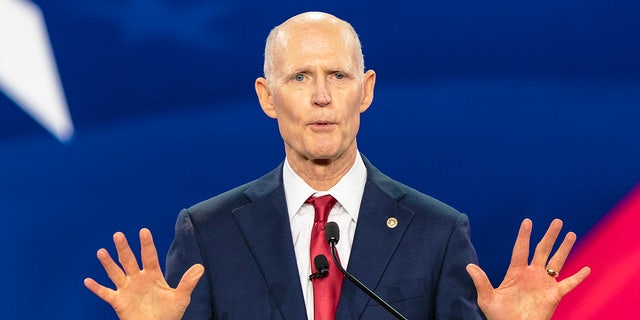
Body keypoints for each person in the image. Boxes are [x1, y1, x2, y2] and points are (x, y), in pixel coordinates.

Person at [84, 11, 591, 320]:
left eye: (338, 76)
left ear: (366, 90)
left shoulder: (436, 233)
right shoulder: (209, 232)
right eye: (301, 77)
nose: (322, 97)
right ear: (267, 96)